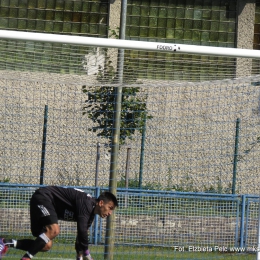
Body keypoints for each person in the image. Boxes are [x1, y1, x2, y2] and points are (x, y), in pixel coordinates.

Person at [0, 186, 118, 260]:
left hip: (45, 204)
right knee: (54, 230)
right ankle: (26, 258)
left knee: (46, 245)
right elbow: (82, 232)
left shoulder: (90, 214)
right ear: (101, 203)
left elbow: (80, 239)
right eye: (110, 208)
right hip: (44, 197)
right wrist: (87, 256)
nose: (110, 213)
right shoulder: (87, 203)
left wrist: (79, 257)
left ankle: (5, 242)